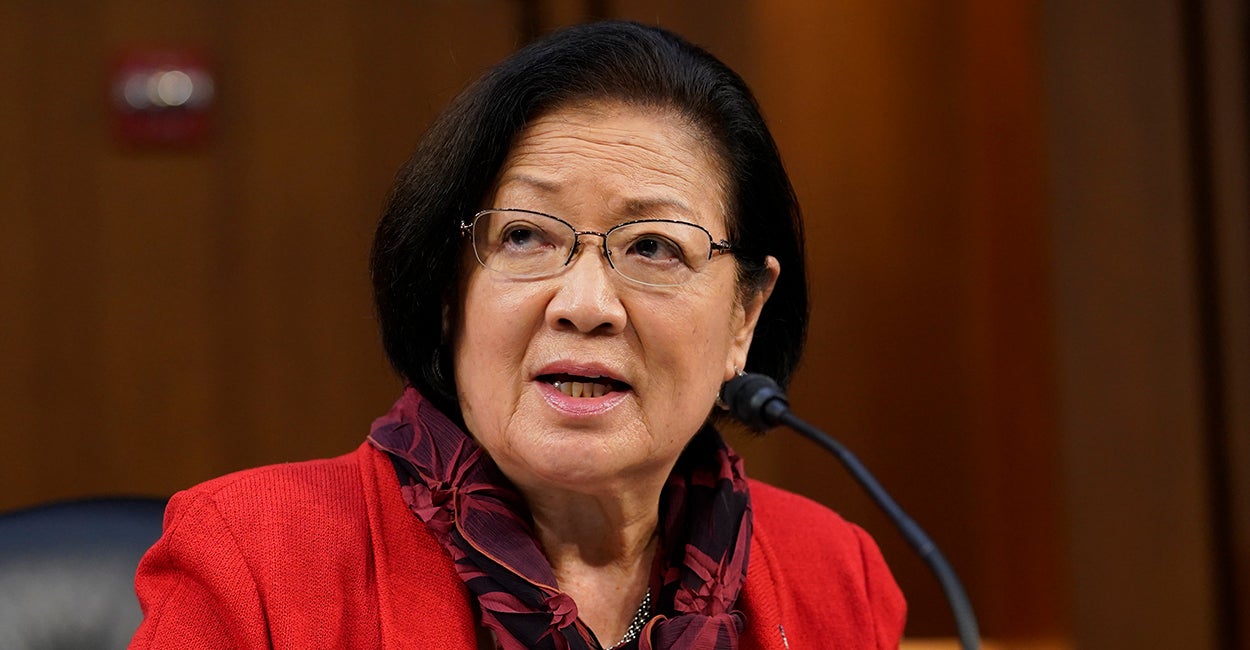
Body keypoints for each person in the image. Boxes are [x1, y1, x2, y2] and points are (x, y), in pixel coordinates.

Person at [130, 20, 905, 650]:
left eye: (653, 247)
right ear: (448, 291)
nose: (586, 304)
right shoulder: (254, 559)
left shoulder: (836, 577)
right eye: (527, 236)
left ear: (744, 315)